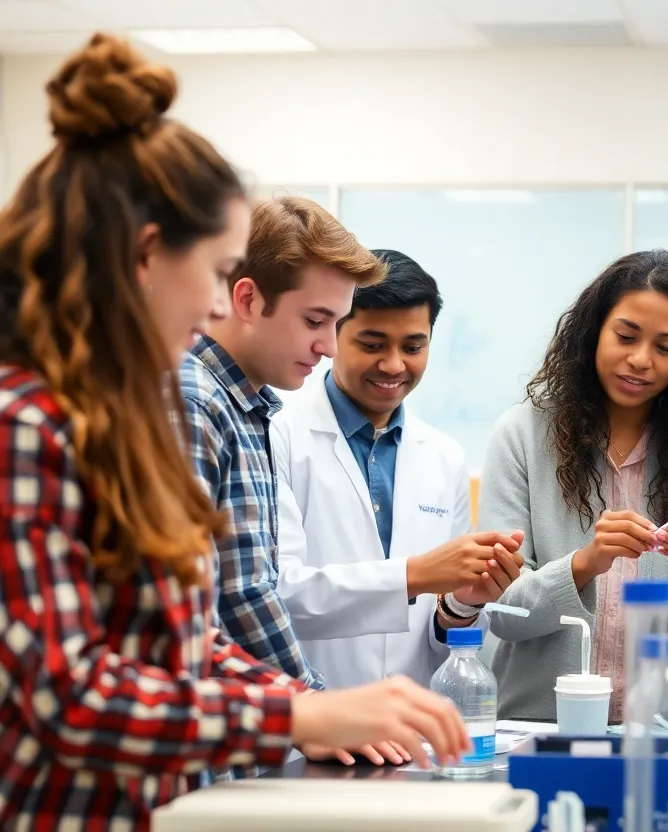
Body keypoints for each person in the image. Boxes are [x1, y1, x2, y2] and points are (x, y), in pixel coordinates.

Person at [0, 33, 467, 829]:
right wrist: (296, 718)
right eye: (218, 275)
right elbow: (65, 695)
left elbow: (187, 637)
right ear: (149, 257)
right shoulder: (27, 423)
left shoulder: (115, 418)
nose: (221, 307)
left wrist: (311, 704)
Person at [478, 250, 668, 720]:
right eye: (625, 336)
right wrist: (583, 564)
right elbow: (501, 617)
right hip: (540, 728)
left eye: (666, 347)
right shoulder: (521, 435)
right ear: (593, 330)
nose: (641, 361)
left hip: (662, 734)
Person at [272, 249, 525, 713]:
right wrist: (416, 575)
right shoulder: (279, 435)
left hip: (409, 731)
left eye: (413, 346)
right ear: (334, 334)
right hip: (305, 725)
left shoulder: (443, 457)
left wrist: (463, 604)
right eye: (372, 344)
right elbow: (279, 595)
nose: (393, 365)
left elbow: (440, 635)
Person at [178, 195, 385, 693]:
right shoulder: (194, 402)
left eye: (337, 325)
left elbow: (252, 587)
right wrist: (315, 707)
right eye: (315, 321)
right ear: (247, 299)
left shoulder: (248, 408)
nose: (329, 347)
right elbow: (233, 601)